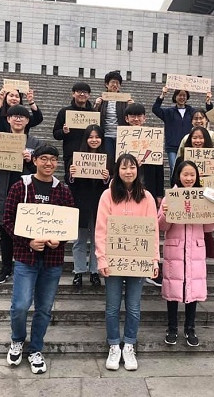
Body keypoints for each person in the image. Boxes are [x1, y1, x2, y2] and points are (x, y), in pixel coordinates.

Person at [2, 145, 75, 373]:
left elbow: (68, 223)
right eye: (44, 158)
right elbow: (7, 220)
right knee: (21, 305)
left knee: (44, 308)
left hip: (52, 260)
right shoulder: (20, 186)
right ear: (34, 160)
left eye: (53, 159)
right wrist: (28, 242)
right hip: (26, 257)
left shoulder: (62, 190)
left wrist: (59, 240)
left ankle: (35, 349)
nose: (49, 163)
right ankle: (17, 340)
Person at [95, 153, 160, 371]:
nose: (128, 171)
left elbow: (153, 229)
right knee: (112, 306)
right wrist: (101, 258)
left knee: (133, 306)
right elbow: (101, 229)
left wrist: (154, 260)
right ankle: (114, 344)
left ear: (137, 170)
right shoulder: (107, 195)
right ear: (117, 170)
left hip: (137, 260)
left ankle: (129, 344)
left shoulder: (147, 197)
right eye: (124, 167)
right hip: (113, 260)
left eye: (132, 167)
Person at [158, 161, 214, 346]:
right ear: (178, 175)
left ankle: (190, 328)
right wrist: (165, 214)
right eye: (185, 174)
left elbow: (208, 227)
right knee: (173, 289)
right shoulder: (170, 196)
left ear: (197, 177)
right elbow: (162, 226)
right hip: (175, 248)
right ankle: (172, 328)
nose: (188, 178)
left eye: (192, 175)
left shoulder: (203, 198)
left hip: (195, 249)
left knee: (193, 289)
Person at [0, 105, 44, 284]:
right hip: (4, 191)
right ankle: (6, 267)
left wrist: (29, 162)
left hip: (27, 193)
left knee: (28, 230)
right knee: (4, 232)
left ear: (27, 121)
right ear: (8, 119)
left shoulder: (35, 143)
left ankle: (27, 267)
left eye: (22, 117)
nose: (18, 119)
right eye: (14, 116)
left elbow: (42, 170)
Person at [122, 103, 164, 287]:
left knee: (148, 230)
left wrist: (159, 193)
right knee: (127, 229)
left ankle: (149, 269)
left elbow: (159, 168)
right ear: (126, 119)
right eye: (132, 116)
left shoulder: (152, 138)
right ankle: (125, 266)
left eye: (139, 116)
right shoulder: (122, 139)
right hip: (126, 192)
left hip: (148, 192)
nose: (136, 119)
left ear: (145, 118)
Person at [67, 124, 112, 288]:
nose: (94, 140)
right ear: (86, 139)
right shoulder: (76, 158)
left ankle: (94, 271)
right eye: (91, 137)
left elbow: (112, 184)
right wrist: (71, 174)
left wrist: (107, 178)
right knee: (79, 240)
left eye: (97, 137)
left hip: (100, 205)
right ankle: (78, 272)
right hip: (81, 204)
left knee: (97, 240)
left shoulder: (108, 158)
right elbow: (69, 182)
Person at [0, 87, 43, 184]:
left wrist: (31, 102)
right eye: (11, 95)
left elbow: (38, 118)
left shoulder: (23, 118)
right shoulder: (0, 116)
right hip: (1, 160)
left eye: (17, 96)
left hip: (19, 161)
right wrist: (0, 99)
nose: (14, 98)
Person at [152, 86, 213, 176]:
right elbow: (155, 109)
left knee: (189, 169)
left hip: (188, 145)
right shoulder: (169, 112)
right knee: (174, 168)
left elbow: (208, 114)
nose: (182, 97)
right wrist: (162, 95)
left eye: (184, 95)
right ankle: (174, 189)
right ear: (175, 97)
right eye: (180, 95)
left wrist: (208, 101)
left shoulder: (192, 111)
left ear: (187, 97)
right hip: (172, 146)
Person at [53, 81, 95, 183]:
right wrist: (63, 132)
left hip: (90, 154)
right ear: (73, 94)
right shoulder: (64, 112)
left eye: (85, 92)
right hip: (70, 154)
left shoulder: (94, 114)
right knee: (71, 181)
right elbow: (56, 134)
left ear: (88, 95)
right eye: (79, 91)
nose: (82, 94)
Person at [93, 71, 134, 158]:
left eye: (117, 83)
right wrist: (96, 106)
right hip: (106, 135)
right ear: (106, 84)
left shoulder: (125, 100)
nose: (115, 85)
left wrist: (132, 107)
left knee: (121, 159)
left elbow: (132, 118)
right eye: (112, 82)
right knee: (109, 159)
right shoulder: (101, 100)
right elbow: (93, 118)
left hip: (122, 136)